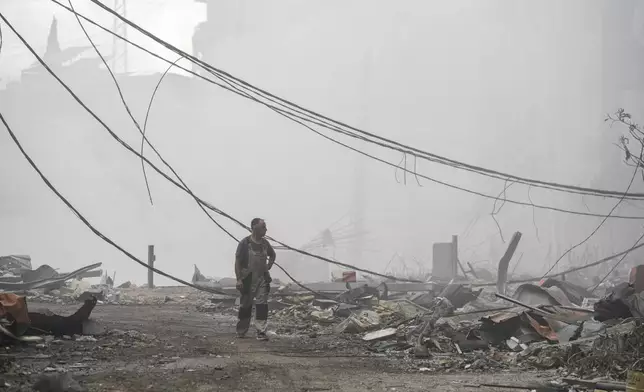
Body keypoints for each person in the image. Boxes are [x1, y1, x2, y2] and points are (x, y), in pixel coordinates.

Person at [234, 218, 276, 340]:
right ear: (254, 228)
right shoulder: (245, 243)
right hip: (248, 278)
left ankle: (261, 331)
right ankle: (241, 330)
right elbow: (237, 262)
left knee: (262, 305)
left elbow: (272, 254)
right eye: (263, 227)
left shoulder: (264, 244)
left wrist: (269, 266)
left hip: (262, 278)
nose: (266, 229)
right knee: (246, 305)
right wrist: (239, 279)